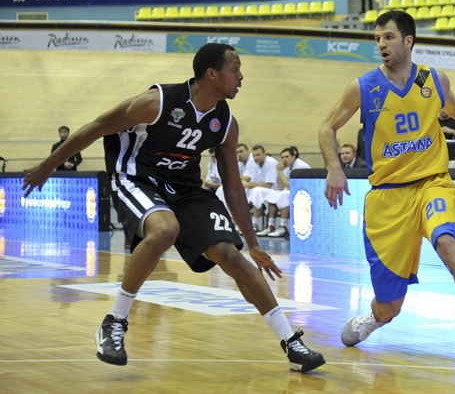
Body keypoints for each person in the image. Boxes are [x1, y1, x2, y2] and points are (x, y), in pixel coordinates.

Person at [22, 43, 325, 373]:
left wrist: (253, 243)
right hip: (137, 179)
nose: (241, 77)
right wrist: (48, 166)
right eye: (235, 69)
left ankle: (290, 342)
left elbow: (233, 185)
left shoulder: (225, 122)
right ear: (212, 74)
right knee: (166, 229)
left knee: (231, 255)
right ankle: (114, 321)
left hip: (184, 188)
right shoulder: (157, 102)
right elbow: (96, 127)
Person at [318, 10, 455, 368]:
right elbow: (327, 127)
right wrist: (334, 168)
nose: (381, 44)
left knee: (448, 242)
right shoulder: (363, 86)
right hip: (387, 196)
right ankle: (377, 315)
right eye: (377, 38)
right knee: (390, 305)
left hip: (431, 182)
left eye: (388, 37)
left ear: (408, 41)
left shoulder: (433, 79)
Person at [257, 147, 311, 238]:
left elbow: (289, 187)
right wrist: (279, 172)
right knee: (273, 194)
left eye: (287, 156)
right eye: (282, 157)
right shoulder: (287, 167)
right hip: (294, 191)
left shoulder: (300, 166)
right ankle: (271, 225)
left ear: (294, 156)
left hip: (305, 193)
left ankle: (284, 226)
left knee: (284, 195)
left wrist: (280, 171)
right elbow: (280, 187)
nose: (284, 159)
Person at [246, 145, 279, 231]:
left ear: (264, 154)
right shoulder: (256, 164)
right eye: (254, 155)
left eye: (258, 155)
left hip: (275, 190)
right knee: (245, 190)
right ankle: (239, 222)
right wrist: (248, 185)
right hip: (263, 190)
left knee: (257, 191)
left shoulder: (271, 162)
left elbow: (268, 185)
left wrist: (249, 185)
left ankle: (255, 223)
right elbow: (253, 182)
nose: (256, 157)